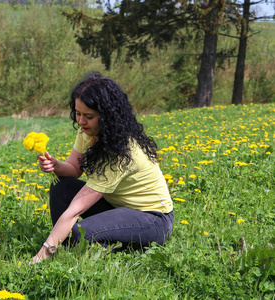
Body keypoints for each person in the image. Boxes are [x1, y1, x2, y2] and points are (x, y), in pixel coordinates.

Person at [31, 72, 174, 263]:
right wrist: (56, 166)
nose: (81, 121)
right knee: (61, 186)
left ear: (107, 117)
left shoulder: (122, 152)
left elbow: (75, 210)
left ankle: (68, 246)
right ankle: (67, 244)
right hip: (116, 207)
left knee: (78, 234)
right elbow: (74, 169)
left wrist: (42, 254)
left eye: (88, 116)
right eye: (78, 113)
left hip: (152, 219)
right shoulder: (89, 132)